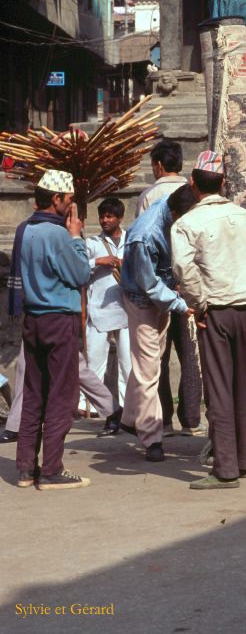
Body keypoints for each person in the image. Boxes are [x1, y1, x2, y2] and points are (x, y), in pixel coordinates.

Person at [171, 152, 246, 490]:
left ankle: (226, 469)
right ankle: (240, 460)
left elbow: (183, 270)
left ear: (192, 184)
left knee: (219, 389)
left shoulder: (186, 224)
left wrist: (199, 305)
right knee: (238, 385)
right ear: (223, 183)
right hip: (245, 308)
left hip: (216, 310)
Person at [14, 169, 92, 491]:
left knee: (34, 392)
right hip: (59, 319)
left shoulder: (24, 230)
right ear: (56, 199)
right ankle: (51, 469)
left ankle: (24, 468)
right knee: (62, 393)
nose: (71, 206)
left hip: (33, 319)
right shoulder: (58, 235)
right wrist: (76, 237)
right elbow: (81, 274)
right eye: (69, 199)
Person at [120, 183, 197, 463]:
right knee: (150, 368)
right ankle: (152, 437)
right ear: (175, 213)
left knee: (146, 362)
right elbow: (149, 284)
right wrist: (180, 304)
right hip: (143, 299)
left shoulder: (172, 206)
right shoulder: (146, 235)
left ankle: (129, 417)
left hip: (162, 294)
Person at [137, 138, 203, 439]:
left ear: (158, 165)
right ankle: (191, 418)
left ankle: (162, 419)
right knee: (190, 351)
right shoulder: (193, 193)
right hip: (189, 282)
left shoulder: (150, 196)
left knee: (159, 354)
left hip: (161, 286)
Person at [83, 198, 131, 420]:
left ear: (120, 218)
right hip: (98, 310)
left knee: (127, 365)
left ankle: (126, 408)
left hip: (127, 310)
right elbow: (78, 268)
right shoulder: (92, 243)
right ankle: (92, 408)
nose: (105, 220)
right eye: (102, 216)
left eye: (110, 216)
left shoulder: (131, 240)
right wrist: (97, 261)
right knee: (94, 362)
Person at [137, 138, 186, 214]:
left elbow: (141, 224)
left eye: (153, 165)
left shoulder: (148, 195)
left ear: (159, 165)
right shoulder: (194, 192)